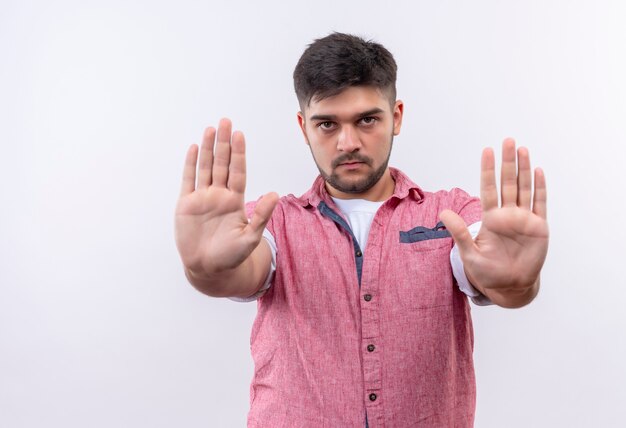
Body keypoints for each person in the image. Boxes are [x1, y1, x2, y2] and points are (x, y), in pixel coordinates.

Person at [174, 32, 548, 427]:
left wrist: (516, 282)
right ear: (304, 128)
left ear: (397, 116)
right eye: (327, 125)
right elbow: (239, 271)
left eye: (367, 119)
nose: (348, 142)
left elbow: (500, 278)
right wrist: (207, 269)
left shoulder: (452, 213)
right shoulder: (269, 224)